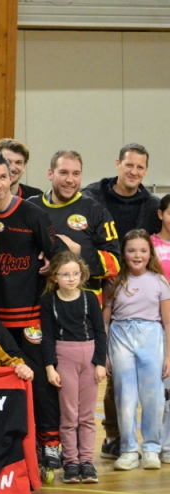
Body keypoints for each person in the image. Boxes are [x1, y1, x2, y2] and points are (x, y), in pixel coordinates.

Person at [0, 151, 64, 471]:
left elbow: (59, 256)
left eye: (4, 177)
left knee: (40, 384)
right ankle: (5, 446)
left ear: (12, 177)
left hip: (30, 317)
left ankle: (51, 444)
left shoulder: (33, 214)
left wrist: (48, 263)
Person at [82, 143, 159, 460]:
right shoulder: (92, 196)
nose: (134, 172)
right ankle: (114, 435)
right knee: (110, 370)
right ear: (118, 164)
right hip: (100, 289)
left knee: (146, 375)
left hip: (140, 295)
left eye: (140, 167)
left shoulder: (152, 204)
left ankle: (152, 441)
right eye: (129, 165)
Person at [103, 229, 170, 471]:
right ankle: (129, 450)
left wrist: (169, 355)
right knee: (125, 396)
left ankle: (151, 448)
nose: (137, 255)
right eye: (131, 250)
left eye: (143, 250)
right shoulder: (115, 281)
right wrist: (105, 353)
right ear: (123, 253)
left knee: (153, 397)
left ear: (150, 253)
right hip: (121, 337)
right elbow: (106, 320)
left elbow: (167, 321)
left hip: (152, 336)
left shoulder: (160, 281)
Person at [40, 252, 107, 484]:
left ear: (82, 275)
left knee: (87, 416)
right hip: (64, 357)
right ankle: (71, 462)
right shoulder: (49, 301)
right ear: (54, 277)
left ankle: (87, 462)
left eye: (75, 274)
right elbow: (46, 336)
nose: (71, 278)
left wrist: (100, 363)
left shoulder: (90, 298)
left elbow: (100, 331)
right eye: (65, 274)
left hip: (89, 357)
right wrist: (50, 367)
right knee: (69, 415)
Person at [28, 150, 121, 300]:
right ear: (50, 174)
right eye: (63, 173)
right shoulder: (30, 207)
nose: (70, 180)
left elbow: (115, 264)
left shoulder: (96, 211)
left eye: (76, 174)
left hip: (85, 307)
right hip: (39, 305)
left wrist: (78, 250)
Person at [150, 194, 170, 464]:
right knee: (162, 391)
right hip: (157, 326)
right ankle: (159, 445)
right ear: (161, 214)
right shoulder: (150, 245)